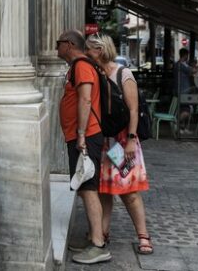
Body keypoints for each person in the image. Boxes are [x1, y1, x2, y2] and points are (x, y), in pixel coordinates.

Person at [85, 34, 153, 255]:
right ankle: (103, 233)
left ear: (100, 50)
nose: (86, 54)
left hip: (123, 142)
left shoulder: (123, 74)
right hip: (104, 141)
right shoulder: (95, 73)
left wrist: (132, 140)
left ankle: (143, 235)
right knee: (104, 191)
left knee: (129, 191)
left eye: (89, 50)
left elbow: (133, 110)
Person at [57, 29, 111, 265]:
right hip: (83, 136)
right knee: (85, 187)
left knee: (88, 188)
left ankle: (98, 244)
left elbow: (86, 99)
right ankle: (93, 236)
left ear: (69, 45)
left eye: (58, 43)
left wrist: (80, 135)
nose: (55, 48)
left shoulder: (81, 66)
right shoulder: (79, 66)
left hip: (86, 136)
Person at [172, 48, 195, 134]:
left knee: (184, 109)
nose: (187, 57)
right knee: (188, 110)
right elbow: (192, 70)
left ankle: (182, 128)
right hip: (183, 91)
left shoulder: (178, 64)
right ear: (185, 55)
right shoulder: (181, 65)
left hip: (182, 90)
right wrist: (195, 66)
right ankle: (176, 122)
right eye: (187, 55)